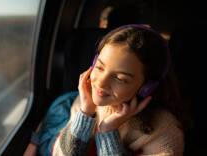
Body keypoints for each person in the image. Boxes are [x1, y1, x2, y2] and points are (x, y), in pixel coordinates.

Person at [24, 24, 189, 156]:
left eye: (120, 78)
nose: (100, 84)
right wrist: (86, 113)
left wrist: (108, 132)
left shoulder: (166, 133)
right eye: (100, 67)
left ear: (147, 87)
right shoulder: (86, 101)